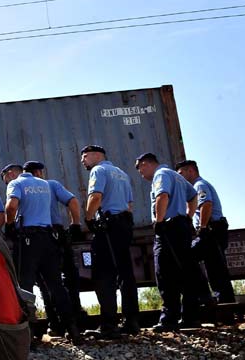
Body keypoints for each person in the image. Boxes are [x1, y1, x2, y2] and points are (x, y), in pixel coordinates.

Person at [2, 163, 81, 342]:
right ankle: (72, 328)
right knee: (56, 285)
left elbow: (11, 206)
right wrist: (75, 224)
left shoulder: (16, 184)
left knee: (25, 285)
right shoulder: (45, 184)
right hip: (48, 238)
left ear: (15, 173)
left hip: (28, 239)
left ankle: (29, 333)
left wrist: (9, 226)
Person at [135, 153, 201, 331]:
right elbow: (193, 196)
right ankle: (190, 317)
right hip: (182, 228)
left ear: (146, 164)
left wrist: (159, 221)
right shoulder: (176, 176)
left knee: (165, 274)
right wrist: (188, 216)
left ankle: (169, 319)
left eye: (140, 167)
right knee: (185, 272)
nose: (140, 172)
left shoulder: (160, 174)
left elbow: (162, 196)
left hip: (169, 229)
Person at [81, 145, 138, 338]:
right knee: (126, 274)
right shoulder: (122, 174)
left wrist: (88, 219)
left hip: (109, 226)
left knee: (103, 275)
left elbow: (96, 196)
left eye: (85, 156)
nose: (83, 161)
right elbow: (129, 205)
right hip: (124, 225)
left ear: (97, 155)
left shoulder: (99, 170)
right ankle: (132, 322)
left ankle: (109, 325)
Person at [23, 161, 85, 324]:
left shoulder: (23, 186)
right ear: (38, 172)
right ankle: (74, 317)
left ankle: (53, 321)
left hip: (35, 236)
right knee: (66, 277)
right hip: (56, 233)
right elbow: (72, 201)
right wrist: (75, 223)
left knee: (43, 282)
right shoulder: (51, 184)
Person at [176, 160, 236, 304]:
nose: (180, 177)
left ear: (190, 171)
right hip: (212, 230)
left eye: (181, 173)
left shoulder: (199, 185)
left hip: (211, 231)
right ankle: (223, 303)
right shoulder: (197, 186)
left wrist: (202, 228)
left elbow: (206, 204)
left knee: (189, 258)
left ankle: (208, 297)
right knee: (215, 268)